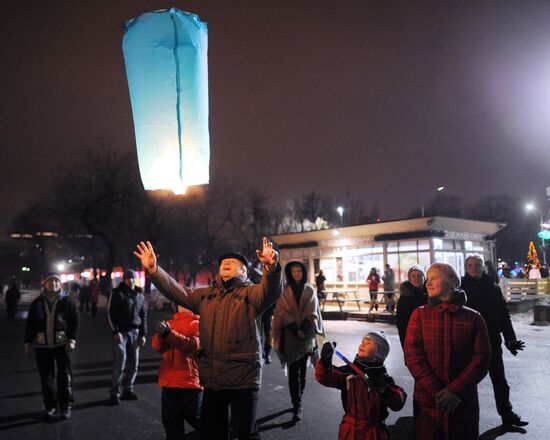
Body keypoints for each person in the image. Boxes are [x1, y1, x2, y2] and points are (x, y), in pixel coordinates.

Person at [134, 237, 282, 440]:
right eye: (223, 262)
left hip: (243, 377)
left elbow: (271, 290)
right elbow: (177, 291)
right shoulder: (206, 296)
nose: (226, 263)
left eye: (234, 263)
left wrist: (271, 268)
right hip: (213, 378)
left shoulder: (252, 294)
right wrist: (154, 270)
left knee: (245, 431)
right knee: (213, 432)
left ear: (244, 271)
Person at [405, 263, 491, 439]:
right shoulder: (419, 315)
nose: (427, 283)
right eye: (427, 279)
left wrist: (454, 391)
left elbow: (481, 359)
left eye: (434, 278)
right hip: (429, 401)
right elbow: (413, 357)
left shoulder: (473, 317)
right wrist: (438, 393)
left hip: (461, 400)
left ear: (450, 282)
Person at [461, 255, 528, 428]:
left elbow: (504, 315)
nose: (474, 268)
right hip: (468, 343)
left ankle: (507, 414)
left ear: (483, 267)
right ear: (466, 267)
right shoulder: (460, 289)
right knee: (466, 382)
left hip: (491, 340)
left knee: (500, 380)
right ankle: (463, 419)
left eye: (477, 265)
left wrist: (510, 339)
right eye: (471, 265)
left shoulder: (493, 288)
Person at [315, 331, 407, 439]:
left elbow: (398, 402)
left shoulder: (382, 378)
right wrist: (325, 362)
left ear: (379, 353)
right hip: (349, 431)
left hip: (373, 432)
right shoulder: (348, 372)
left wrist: (384, 390)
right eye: (363, 341)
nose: (363, 344)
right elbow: (325, 378)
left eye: (369, 343)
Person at [272, 261, 324, 422]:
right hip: (290, 336)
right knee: (293, 373)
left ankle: (298, 399)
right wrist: (296, 329)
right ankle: (297, 405)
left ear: (303, 272)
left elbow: (312, 311)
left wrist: (303, 329)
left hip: (307, 337)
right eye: (293, 271)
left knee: (302, 371)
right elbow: (281, 312)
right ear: (289, 273)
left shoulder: (310, 290)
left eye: (299, 271)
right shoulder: (284, 291)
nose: (296, 274)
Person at [24, 272, 79, 420]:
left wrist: (72, 339)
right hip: (42, 345)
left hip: (62, 344)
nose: (53, 284)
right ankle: (50, 405)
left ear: (60, 284)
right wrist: (28, 342)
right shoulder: (37, 303)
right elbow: (30, 324)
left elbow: (74, 322)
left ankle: (65, 405)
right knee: (46, 377)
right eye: (50, 281)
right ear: (45, 284)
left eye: (56, 281)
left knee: (64, 376)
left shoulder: (68, 301)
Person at [152, 305, 202, 440]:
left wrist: (167, 334)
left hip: (177, 384)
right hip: (186, 384)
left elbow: (190, 345)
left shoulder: (195, 324)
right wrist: (163, 335)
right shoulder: (195, 324)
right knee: (202, 425)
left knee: (173, 428)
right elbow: (158, 346)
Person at [107, 269, 148, 404]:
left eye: (133, 278)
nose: (131, 280)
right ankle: (114, 393)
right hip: (121, 333)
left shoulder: (140, 295)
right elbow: (110, 313)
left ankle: (128, 389)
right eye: (128, 278)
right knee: (120, 364)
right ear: (124, 279)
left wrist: (143, 334)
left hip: (135, 333)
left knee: (134, 364)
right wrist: (115, 331)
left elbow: (143, 316)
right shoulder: (117, 293)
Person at [395, 265, 427, 350]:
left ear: (424, 277)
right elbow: (402, 324)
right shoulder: (405, 298)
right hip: (413, 335)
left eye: (419, 275)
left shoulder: (431, 294)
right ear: (409, 279)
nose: (416, 278)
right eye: (413, 276)